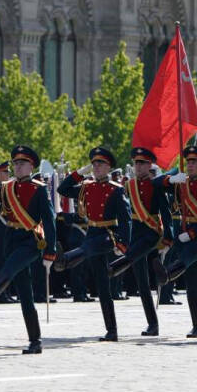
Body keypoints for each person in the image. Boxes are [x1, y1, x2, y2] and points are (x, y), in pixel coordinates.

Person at [0, 145, 57, 354]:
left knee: (9, 268)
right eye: (16, 163)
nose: (18, 167)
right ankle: (35, 341)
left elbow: (49, 220)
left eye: (22, 164)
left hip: (31, 240)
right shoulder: (7, 187)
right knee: (25, 294)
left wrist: (50, 251)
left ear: (31, 166)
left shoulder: (39, 188)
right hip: (12, 239)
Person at [55, 146, 130, 341]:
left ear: (109, 167)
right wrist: (79, 173)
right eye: (94, 163)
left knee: (87, 248)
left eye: (100, 164)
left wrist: (123, 244)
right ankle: (112, 330)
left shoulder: (116, 189)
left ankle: (65, 259)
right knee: (103, 285)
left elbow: (126, 219)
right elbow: (62, 189)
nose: (96, 167)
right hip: (92, 231)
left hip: (108, 233)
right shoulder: (86, 186)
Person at [151, 146, 197, 338]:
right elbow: (155, 184)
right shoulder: (180, 183)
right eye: (188, 162)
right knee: (191, 284)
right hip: (182, 235)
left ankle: (166, 275)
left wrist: (193, 233)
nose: (190, 165)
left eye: (195, 162)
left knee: (186, 259)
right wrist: (170, 178)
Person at [107, 147, 174, 337]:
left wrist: (169, 236)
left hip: (151, 232)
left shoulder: (156, 185)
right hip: (134, 232)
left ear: (150, 165)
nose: (139, 166)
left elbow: (166, 213)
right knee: (142, 283)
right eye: (136, 163)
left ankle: (114, 267)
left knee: (135, 254)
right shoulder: (129, 186)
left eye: (142, 163)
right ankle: (153, 324)